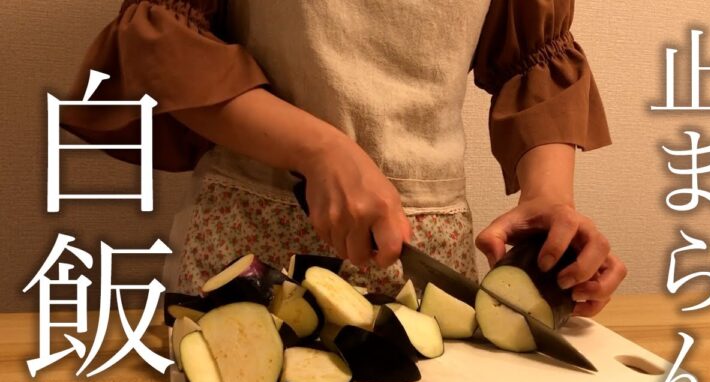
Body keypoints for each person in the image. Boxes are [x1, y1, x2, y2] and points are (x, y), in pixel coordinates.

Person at [62, 0, 626, 317]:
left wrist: (549, 200)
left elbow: (536, 57)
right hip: (249, 239)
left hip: (430, 253)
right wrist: (319, 149)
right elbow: (164, 45)